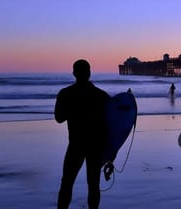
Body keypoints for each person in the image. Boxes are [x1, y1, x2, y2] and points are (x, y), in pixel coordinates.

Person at [55, 59, 110, 209]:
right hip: (95, 146)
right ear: (89, 72)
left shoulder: (65, 94)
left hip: (75, 145)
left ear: (74, 73)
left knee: (67, 182)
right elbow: (110, 125)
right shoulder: (101, 96)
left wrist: (73, 109)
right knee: (93, 184)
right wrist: (112, 152)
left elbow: (59, 118)